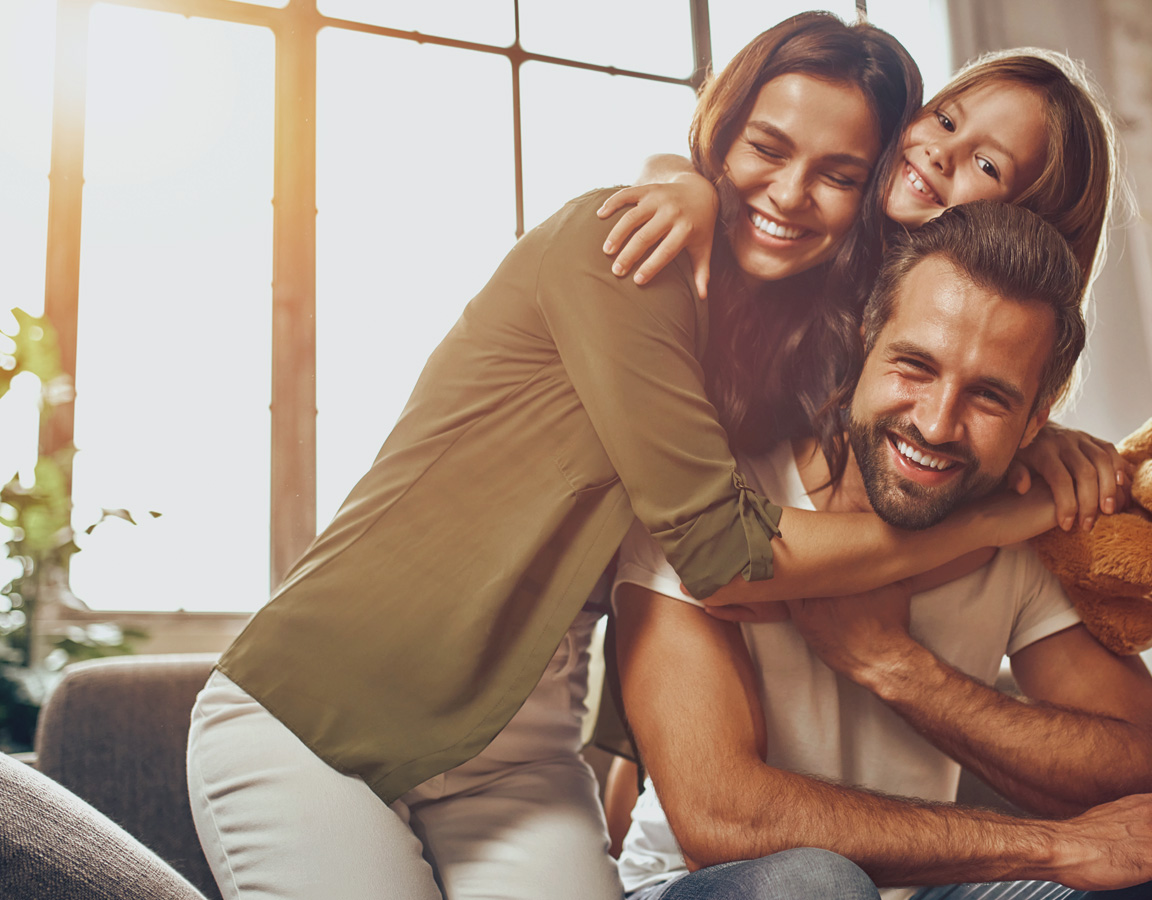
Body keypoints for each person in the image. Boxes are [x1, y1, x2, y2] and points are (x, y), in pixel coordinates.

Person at [185, 14, 1080, 900]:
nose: (790, 192)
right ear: (720, 132)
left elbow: (648, 572)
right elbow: (722, 555)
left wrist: (1034, 442)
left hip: (516, 763)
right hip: (317, 714)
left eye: (839, 174)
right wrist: (994, 521)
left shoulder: (788, 344)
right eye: (765, 147)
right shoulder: (617, 253)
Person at [611, 202, 1152, 900]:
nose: (936, 424)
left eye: (990, 397)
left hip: (931, 887)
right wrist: (1053, 847)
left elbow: (1141, 773)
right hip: (712, 884)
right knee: (815, 887)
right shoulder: (713, 506)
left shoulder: (1021, 521)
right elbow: (720, 816)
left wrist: (896, 665)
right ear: (864, 345)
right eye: (915, 366)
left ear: (1039, 415)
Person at [600, 47, 1130, 534]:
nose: (942, 152)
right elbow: (676, 168)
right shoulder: (822, 221)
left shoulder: (942, 410)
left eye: (987, 165)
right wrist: (687, 186)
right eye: (944, 120)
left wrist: (1031, 438)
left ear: (1024, 229)